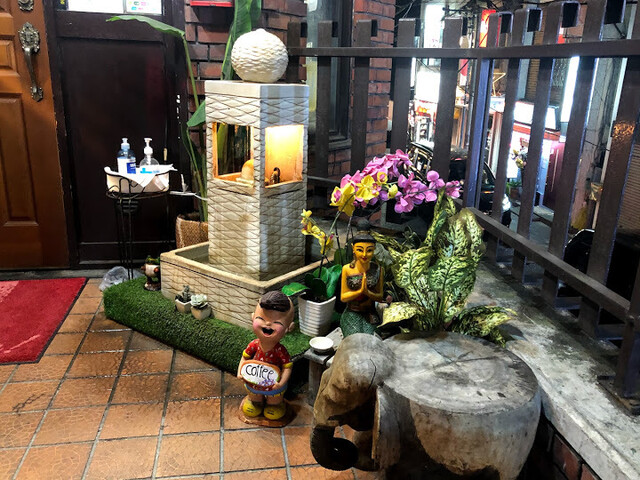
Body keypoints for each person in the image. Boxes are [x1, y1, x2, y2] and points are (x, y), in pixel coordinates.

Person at [237, 291, 295, 420]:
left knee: (274, 399)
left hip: (273, 386)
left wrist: (281, 383)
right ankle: (255, 402)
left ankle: (275, 405)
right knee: (254, 396)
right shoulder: (254, 345)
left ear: (289, 327)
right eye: (261, 319)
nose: (267, 324)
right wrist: (240, 371)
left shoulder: (280, 350)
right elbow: (245, 357)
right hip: (253, 382)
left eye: (276, 322)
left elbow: (287, 367)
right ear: (253, 318)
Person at [339, 228, 384, 337]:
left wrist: (367, 292)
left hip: (369, 312)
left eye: (369, 250)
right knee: (355, 339)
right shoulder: (347, 269)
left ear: (374, 249)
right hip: (352, 312)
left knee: (372, 339)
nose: (364, 254)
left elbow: (380, 297)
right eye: (360, 250)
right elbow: (343, 297)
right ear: (353, 248)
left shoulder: (378, 269)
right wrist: (360, 291)